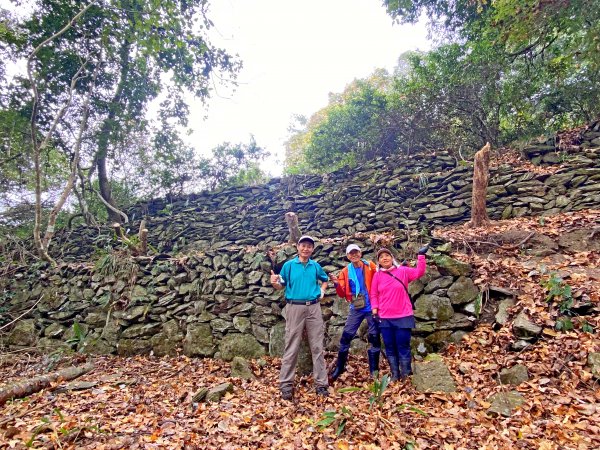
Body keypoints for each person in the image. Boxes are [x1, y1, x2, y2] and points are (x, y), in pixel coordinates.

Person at [270, 235, 329, 400]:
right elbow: (279, 285)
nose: (306, 249)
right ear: (298, 247)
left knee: (317, 346)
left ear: (312, 249)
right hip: (294, 306)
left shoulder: (315, 266)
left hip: (314, 308)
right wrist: (273, 282)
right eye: (303, 245)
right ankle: (286, 384)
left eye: (309, 246)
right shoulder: (288, 266)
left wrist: (322, 291)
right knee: (291, 345)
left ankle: (321, 384)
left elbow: (324, 280)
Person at [370, 245, 428, 381]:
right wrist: (374, 310)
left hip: (403, 316)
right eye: (381, 257)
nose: (384, 258)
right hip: (384, 318)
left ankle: (406, 374)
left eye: (387, 255)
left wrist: (421, 256)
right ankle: (395, 374)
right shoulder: (377, 276)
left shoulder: (403, 271)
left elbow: (419, 272)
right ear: (378, 261)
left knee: (403, 346)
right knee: (389, 347)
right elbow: (373, 294)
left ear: (392, 258)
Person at [329, 243, 381, 381]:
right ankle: (339, 368)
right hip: (356, 308)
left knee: (374, 338)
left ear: (361, 253)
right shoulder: (345, 272)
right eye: (351, 253)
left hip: (371, 306)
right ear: (347, 256)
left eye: (356, 252)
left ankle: (374, 371)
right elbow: (341, 293)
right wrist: (336, 284)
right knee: (346, 336)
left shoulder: (370, 266)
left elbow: (379, 279)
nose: (354, 255)